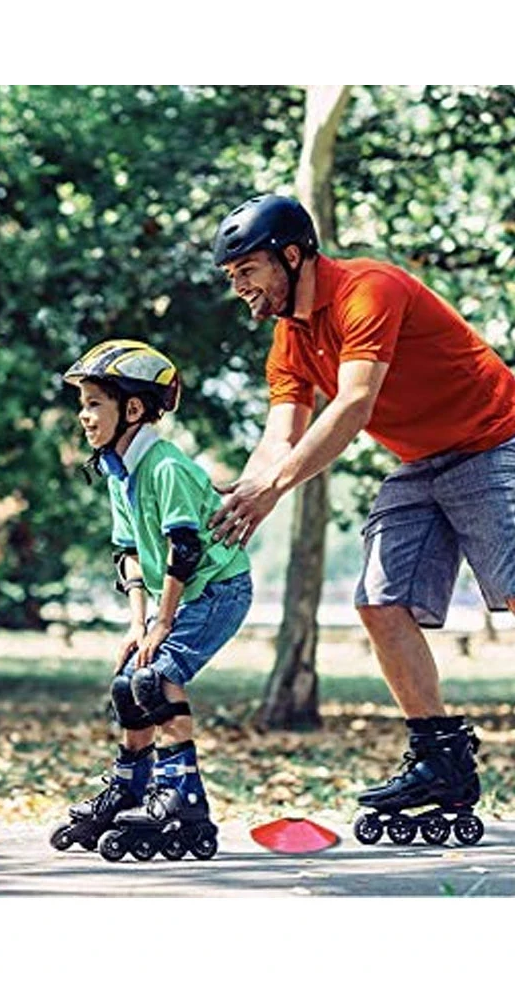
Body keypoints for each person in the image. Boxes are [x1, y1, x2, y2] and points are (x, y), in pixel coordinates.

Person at [211, 193, 515, 845]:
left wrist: (274, 487)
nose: (239, 288)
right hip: (422, 462)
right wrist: (246, 497)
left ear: (292, 256)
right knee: (381, 602)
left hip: (496, 439)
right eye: (233, 277)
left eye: (248, 271)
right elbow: (279, 438)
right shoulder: (289, 338)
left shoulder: (368, 290)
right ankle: (441, 761)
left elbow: (352, 406)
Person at [49, 339, 253, 861]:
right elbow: (130, 554)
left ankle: (184, 798)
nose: (84, 416)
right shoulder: (118, 469)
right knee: (127, 686)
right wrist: (138, 625)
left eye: (95, 403)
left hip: (218, 588)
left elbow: (183, 550)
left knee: (156, 681)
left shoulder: (164, 466)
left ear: (133, 409)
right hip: (178, 595)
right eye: (83, 404)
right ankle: (131, 790)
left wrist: (163, 622)